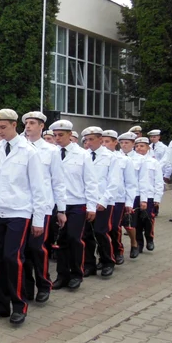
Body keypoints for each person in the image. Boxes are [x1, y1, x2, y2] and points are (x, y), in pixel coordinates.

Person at [0, 109, 46, 326]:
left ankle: (19, 305)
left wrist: (38, 219)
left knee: (12, 257)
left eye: (3, 127)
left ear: (13, 125)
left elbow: (39, 188)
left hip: (19, 212)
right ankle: (0, 304)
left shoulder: (29, 152)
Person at [49, 120, 99, 291]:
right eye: (54, 135)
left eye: (60, 135)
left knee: (74, 238)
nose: (57, 139)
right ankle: (62, 275)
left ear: (70, 135)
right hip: (58, 204)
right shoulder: (53, 153)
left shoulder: (82, 154)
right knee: (60, 240)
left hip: (77, 203)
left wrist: (91, 206)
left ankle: (76, 274)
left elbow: (91, 182)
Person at [22, 111, 66, 303]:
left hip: (43, 207)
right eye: (26, 123)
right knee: (22, 251)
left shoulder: (51, 151)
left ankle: (43, 283)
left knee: (37, 248)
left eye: (33, 123)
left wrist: (61, 209)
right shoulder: (19, 148)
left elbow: (58, 182)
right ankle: (26, 287)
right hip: (21, 207)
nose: (28, 126)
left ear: (41, 126)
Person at [80, 127, 121, 278]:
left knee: (101, 231)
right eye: (86, 140)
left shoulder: (111, 157)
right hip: (86, 200)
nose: (88, 143)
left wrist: (103, 200)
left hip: (104, 201)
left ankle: (107, 261)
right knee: (86, 234)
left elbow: (114, 182)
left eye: (91, 139)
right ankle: (89, 264)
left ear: (100, 139)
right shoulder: (83, 155)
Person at [102, 130, 136, 264]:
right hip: (102, 199)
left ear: (115, 143)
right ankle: (104, 254)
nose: (104, 144)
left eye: (107, 141)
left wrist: (129, 202)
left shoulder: (123, 159)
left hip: (118, 199)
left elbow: (130, 182)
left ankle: (117, 251)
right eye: (102, 141)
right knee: (102, 229)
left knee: (115, 227)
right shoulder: (95, 157)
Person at [135, 137, 164, 251]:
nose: (139, 148)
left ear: (148, 147)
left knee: (148, 219)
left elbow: (158, 181)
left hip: (150, 195)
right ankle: (138, 243)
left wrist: (158, 196)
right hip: (137, 195)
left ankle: (149, 239)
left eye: (142, 146)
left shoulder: (153, 162)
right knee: (136, 221)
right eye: (137, 146)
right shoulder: (132, 161)